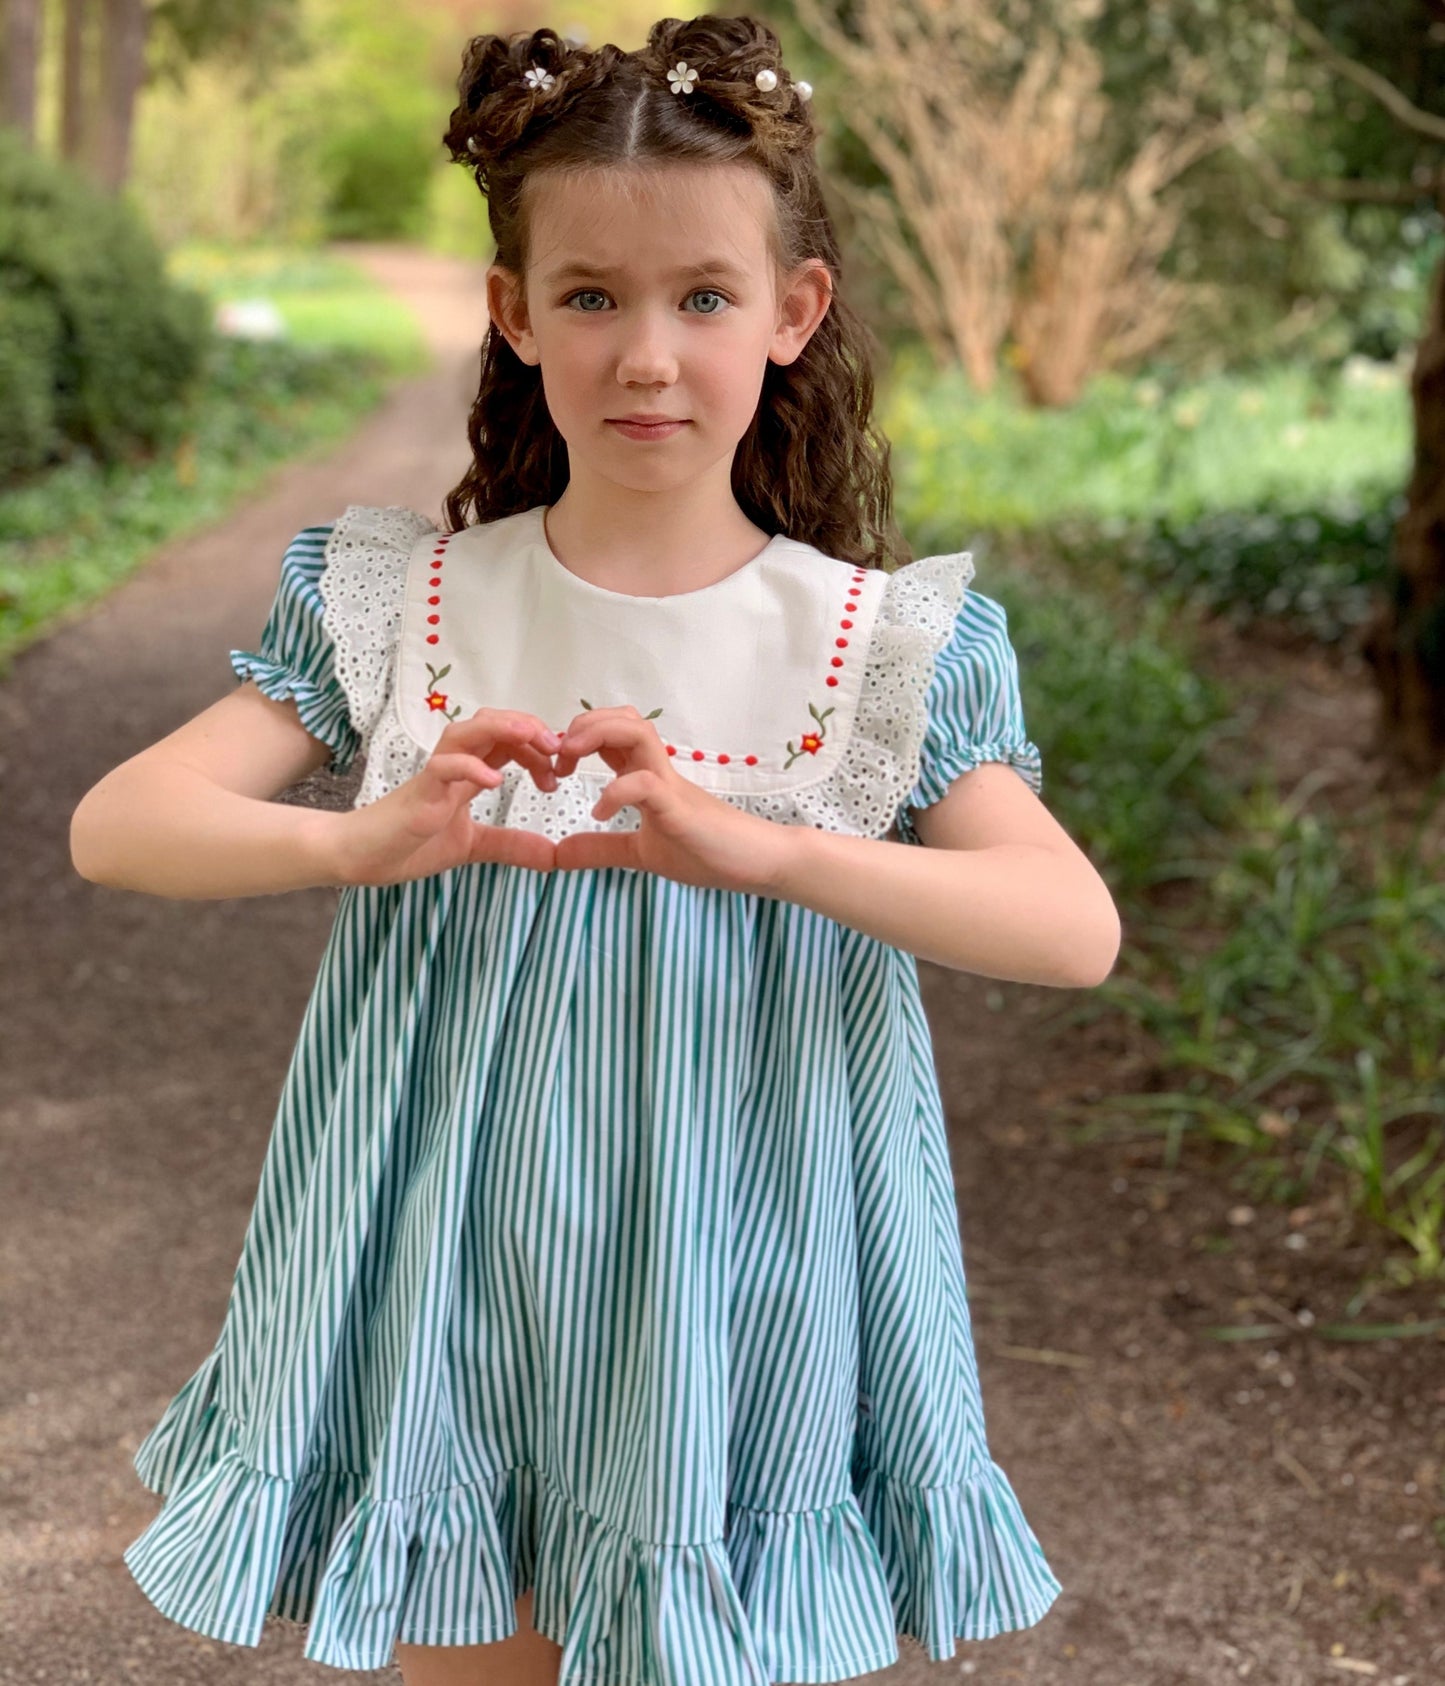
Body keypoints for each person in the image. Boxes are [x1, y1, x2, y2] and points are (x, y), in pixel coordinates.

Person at [69, 15, 1121, 1686]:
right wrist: (370, 841)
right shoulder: (412, 600)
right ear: (513, 314)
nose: (646, 353)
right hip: (452, 1265)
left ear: (795, 312)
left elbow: (1066, 927)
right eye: (591, 296)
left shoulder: (869, 644)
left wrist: (764, 853)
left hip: (751, 1271)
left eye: (704, 297)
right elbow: (119, 826)